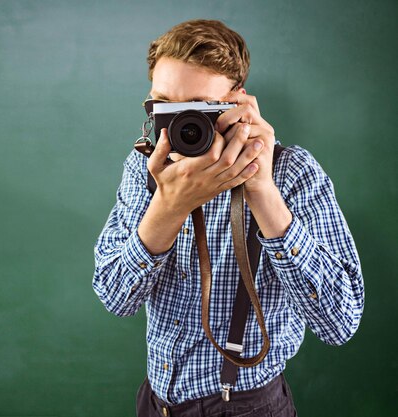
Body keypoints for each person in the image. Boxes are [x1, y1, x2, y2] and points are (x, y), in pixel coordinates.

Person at [92, 19, 364, 417]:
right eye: (165, 106)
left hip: (246, 406)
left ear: (239, 102)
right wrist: (168, 207)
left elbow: (339, 322)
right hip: (155, 403)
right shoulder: (145, 168)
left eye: (199, 110)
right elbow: (115, 297)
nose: (182, 126)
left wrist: (263, 192)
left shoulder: (291, 173)